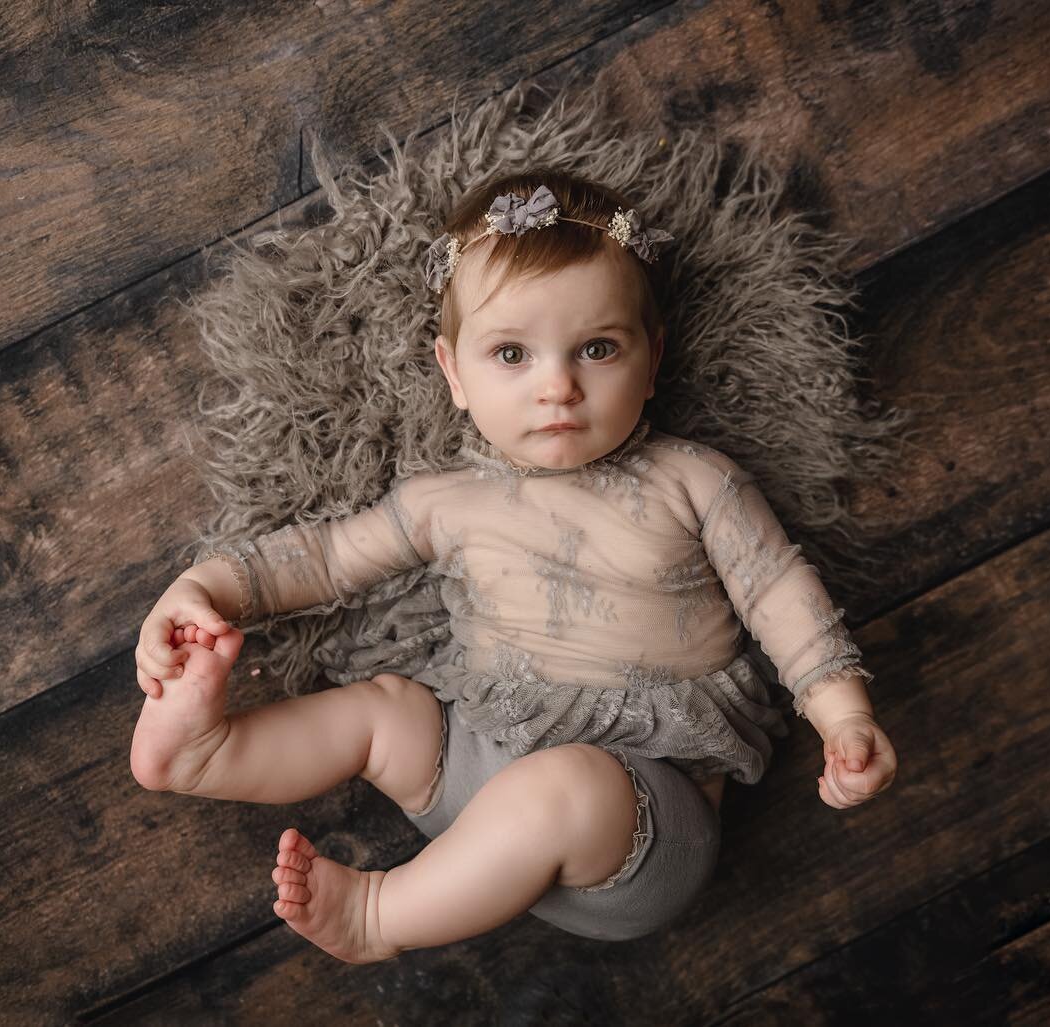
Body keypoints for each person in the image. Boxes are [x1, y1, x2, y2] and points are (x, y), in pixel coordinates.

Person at [129, 170, 898, 963]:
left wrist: (842, 713)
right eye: (511, 354)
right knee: (385, 710)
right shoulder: (445, 500)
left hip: (642, 827)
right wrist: (209, 588)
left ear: (653, 354)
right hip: (474, 778)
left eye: (597, 348)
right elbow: (324, 558)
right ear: (454, 373)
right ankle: (205, 752)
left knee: (569, 786)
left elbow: (779, 590)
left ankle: (382, 915)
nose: (557, 386)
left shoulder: (694, 480)